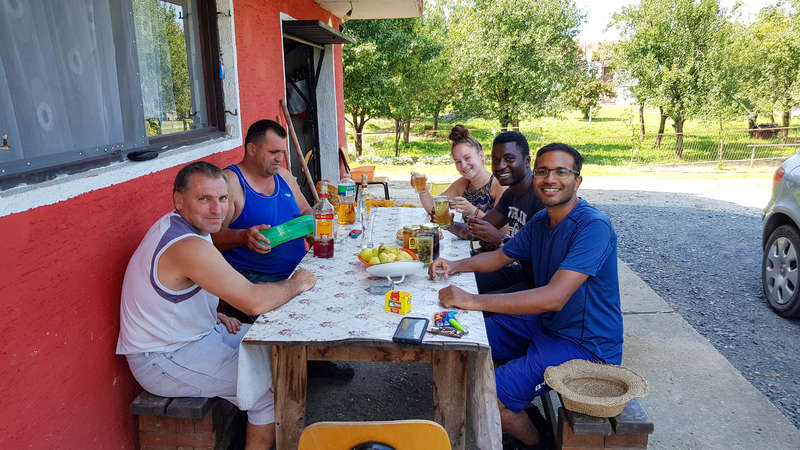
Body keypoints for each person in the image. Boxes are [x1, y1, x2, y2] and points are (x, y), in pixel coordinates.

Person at [429, 143, 623, 449]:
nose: (550, 179)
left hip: (585, 344)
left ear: (577, 180)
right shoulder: (541, 220)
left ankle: (539, 442)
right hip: (545, 324)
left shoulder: (593, 226)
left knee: (491, 393)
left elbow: (554, 297)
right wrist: (454, 265)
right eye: (543, 171)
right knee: (464, 340)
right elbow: (499, 257)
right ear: (535, 176)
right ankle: (521, 410)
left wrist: (472, 300)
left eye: (562, 172)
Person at [116, 161, 317, 450]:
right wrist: (296, 283)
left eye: (222, 199)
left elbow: (173, 290)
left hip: (195, 335)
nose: (217, 209)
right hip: (163, 357)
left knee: (275, 348)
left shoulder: (187, 227)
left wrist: (213, 313)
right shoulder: (186, 245)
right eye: (205, 199)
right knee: (269, 391)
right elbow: (254, 301)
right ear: (179, 201)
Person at [211, 119, 354, 379]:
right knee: (298, 307)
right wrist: (244, 236)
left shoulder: (284, 177)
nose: (280, 159)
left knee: (344, 281)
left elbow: (305, 211)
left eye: (283, 153)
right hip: (254, 276)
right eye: (273, 152)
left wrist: (314, 225)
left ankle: (318, 358)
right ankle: (300, 370)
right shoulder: (231, 183)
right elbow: (210, 240)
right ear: (252, 149)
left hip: (298, 266)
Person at [446, 131, 545, 294]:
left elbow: (543, 259)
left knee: (467, 303)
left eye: (509, 159)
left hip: (536, 285)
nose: (500, 166)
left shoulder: (542, 199)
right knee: (450, 282)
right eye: (496, 160)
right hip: (516, 271)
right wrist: (449, 224)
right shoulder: (511, 195)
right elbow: (475, 231)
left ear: (527, 161)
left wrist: (500, 239)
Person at [411, 125, 505, 221]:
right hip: (467, 236)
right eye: (458, 161)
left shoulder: (499, 185)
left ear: (481, 155)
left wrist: (474, 211)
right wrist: (422, 189)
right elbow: (434, 209)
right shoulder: (463, 184)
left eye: (467, 158)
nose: (463, 165)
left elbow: (503, 231)